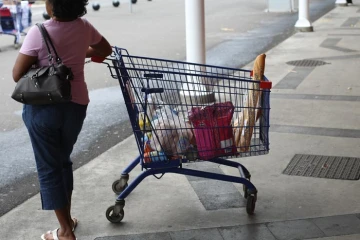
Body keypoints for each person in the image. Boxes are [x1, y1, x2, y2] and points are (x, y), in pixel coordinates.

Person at [12, 0, 112, 239]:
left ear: (51, 5)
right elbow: (105, 50)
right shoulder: (84, 27)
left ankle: (65, 232)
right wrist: (77, 54)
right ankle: (66, 222)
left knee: (49, 168)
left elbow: (17, 74)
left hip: (43, 109)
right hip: (76, 105)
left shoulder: (38, 32)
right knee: (62, 162)